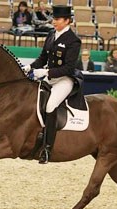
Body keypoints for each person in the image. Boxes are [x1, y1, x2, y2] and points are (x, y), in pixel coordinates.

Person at [22, 5, 81, 164]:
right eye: (53, 19)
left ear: (67, 21)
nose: (54, 22)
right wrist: (31, 67)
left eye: (58, 19)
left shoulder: (73, 41)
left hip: (64, 80)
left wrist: (46, 73)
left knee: (50, 106)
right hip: (49, 77)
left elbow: (69, 67)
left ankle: (47, 148)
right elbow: (42, 58)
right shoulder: (51, 34)